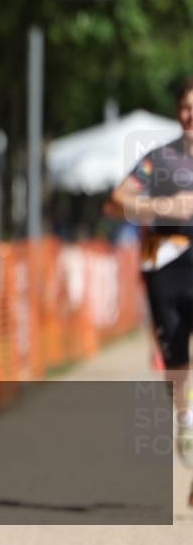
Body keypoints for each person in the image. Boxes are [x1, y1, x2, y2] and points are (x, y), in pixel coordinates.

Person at [110, 75, 193, 468]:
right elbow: (116, 200)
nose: (191, 115)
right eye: (186, 108)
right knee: (175, 353)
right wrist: (162, 206)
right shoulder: (160, 159)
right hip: (165, 264)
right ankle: (186, 421)